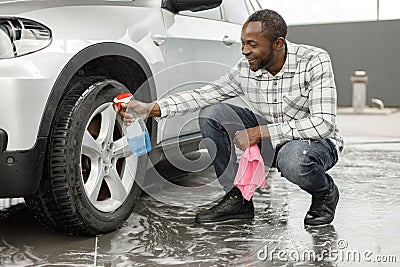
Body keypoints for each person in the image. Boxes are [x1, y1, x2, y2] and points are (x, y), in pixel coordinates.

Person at [114, 9, 344, 227]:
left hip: (316, 143)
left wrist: (261, 133)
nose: (244, 51)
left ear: (278, 44)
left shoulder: (314, 61)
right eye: (243, 43)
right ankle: (238, 200)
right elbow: (203, 95)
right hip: (274, 137)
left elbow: (323, 123)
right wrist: (151, 108)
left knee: (292, 160)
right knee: (213, 114)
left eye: (252, 45)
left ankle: (324, 193)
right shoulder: (245, 68)